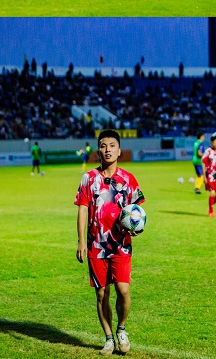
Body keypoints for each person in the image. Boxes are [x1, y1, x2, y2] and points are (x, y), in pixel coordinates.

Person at [75, 130, 144, 356]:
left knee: (123, 290)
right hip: (96, 244)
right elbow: (83, 208)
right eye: (103, 146)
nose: (107, 149)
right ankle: (108, 339)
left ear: (119, 151)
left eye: (112, 145)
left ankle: (121, 329)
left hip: (120, 245)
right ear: (98, 151)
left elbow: (137, 211)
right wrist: (81, 241)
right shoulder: (89, 178)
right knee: (101, 294)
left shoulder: (128, 179)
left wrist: (136, 228)